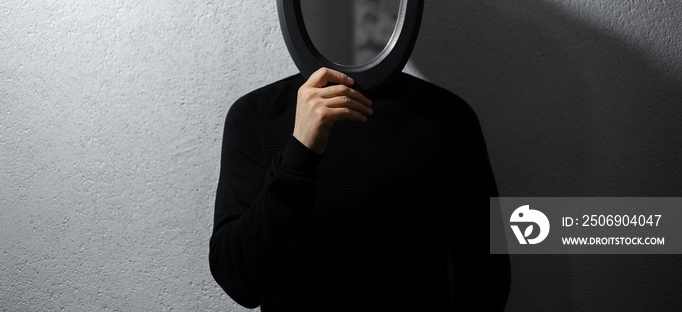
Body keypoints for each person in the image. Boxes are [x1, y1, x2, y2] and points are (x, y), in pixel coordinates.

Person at [209, 67, 510, 311]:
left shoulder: (448, 116)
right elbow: (240, 282)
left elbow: (487, 272)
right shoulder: (255, 114)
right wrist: (300, 150)